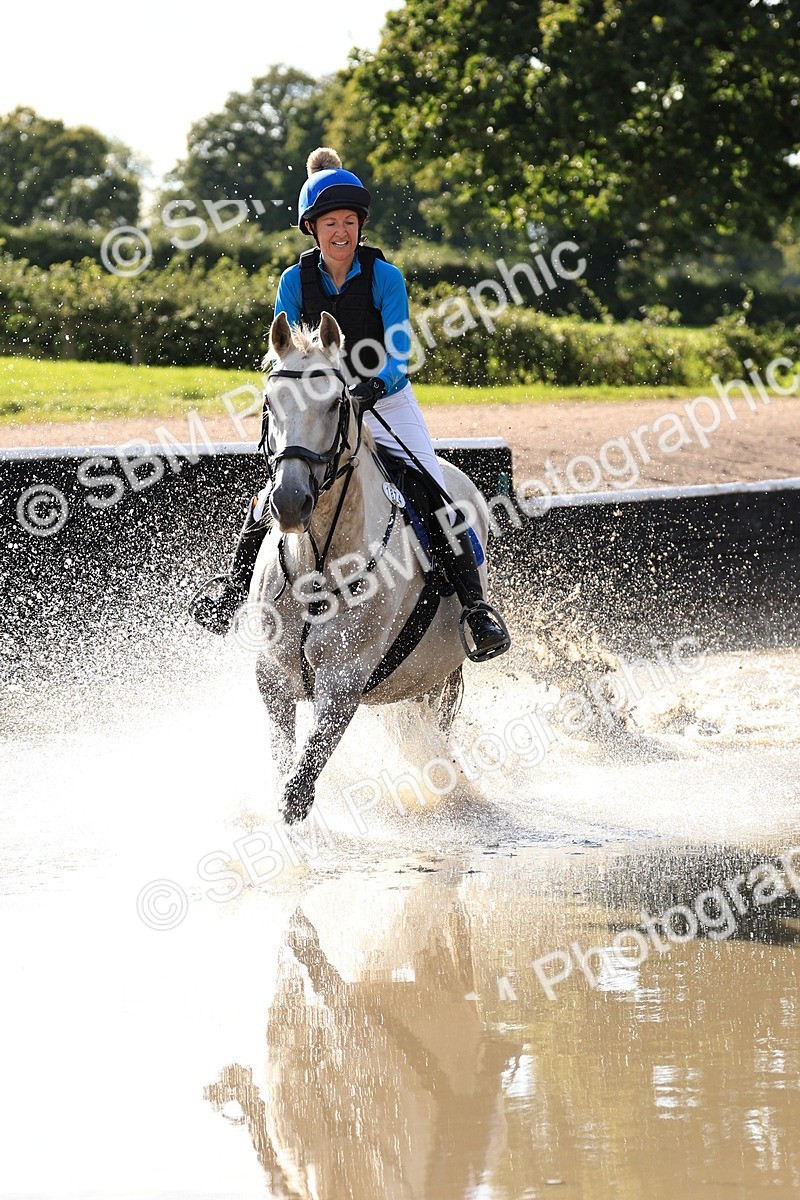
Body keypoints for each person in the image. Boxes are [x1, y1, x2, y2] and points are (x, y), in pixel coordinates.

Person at [191, 147, 510, 661]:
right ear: (312, 230)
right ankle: (231, 592)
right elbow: (285, 351)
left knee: (431, 487)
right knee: (277, 488)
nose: (341, 232)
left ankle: (475, 609)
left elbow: (400, 354)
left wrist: (371, 389)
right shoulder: (293, 282)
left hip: (386, 400)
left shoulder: (387, 278)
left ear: (361, 225)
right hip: (321, 402)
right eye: (329, 223)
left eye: (349, 222)